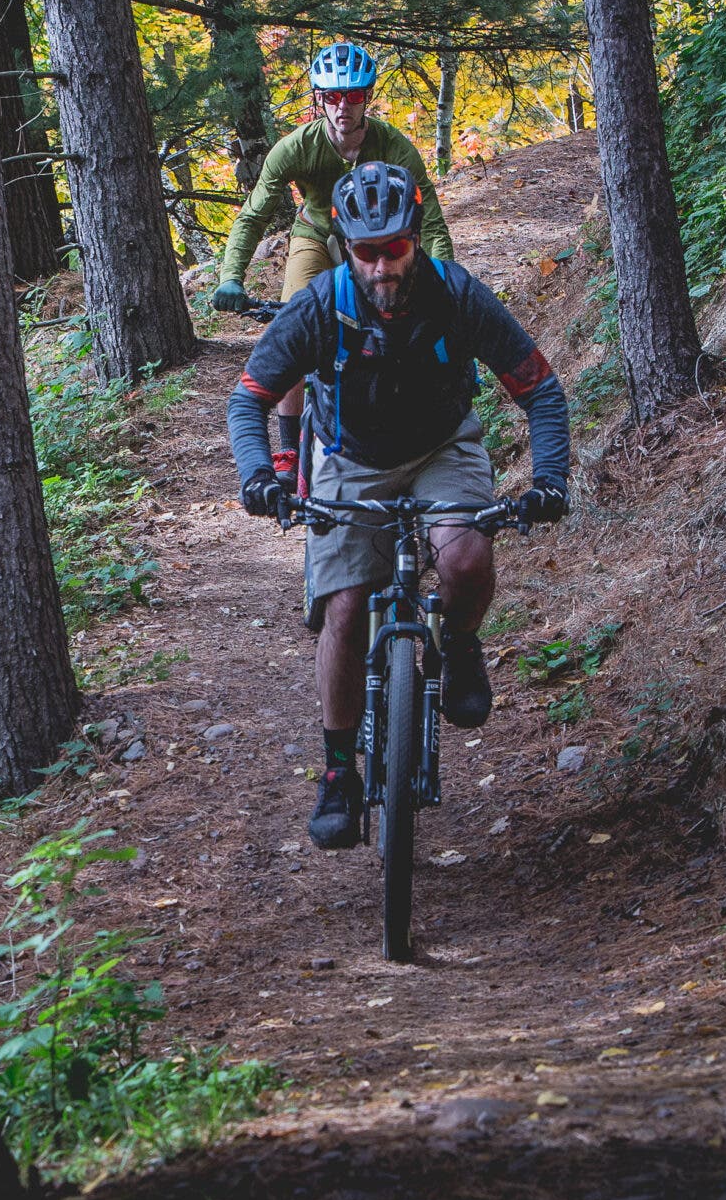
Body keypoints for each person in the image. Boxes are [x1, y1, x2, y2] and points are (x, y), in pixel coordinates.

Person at [226, 161, 571, 852]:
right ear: (345, 248)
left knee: (468, 558)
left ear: (415, 238)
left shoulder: (458, 295)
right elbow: (250, 398)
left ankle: (462, 645)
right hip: (349, 458)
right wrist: (260, 474)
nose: (382, 267)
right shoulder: (319, 305)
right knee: (346, 607)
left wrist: (552, 479)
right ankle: (336, 770)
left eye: (395, 249)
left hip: (442, 446)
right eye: (366, 252)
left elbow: (541, 390)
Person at [211, 42, 455, 491]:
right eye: (332, 96)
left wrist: (442, 279)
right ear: (318, 98)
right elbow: (253, 215)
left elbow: (433, 220)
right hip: (316, 236)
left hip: (375, 240)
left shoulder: (393, 145)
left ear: (368, 97)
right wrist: (231, 277)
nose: (344, 106)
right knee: (292, 323)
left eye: (355, 96)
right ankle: (287, 448)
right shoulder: (295, 148)